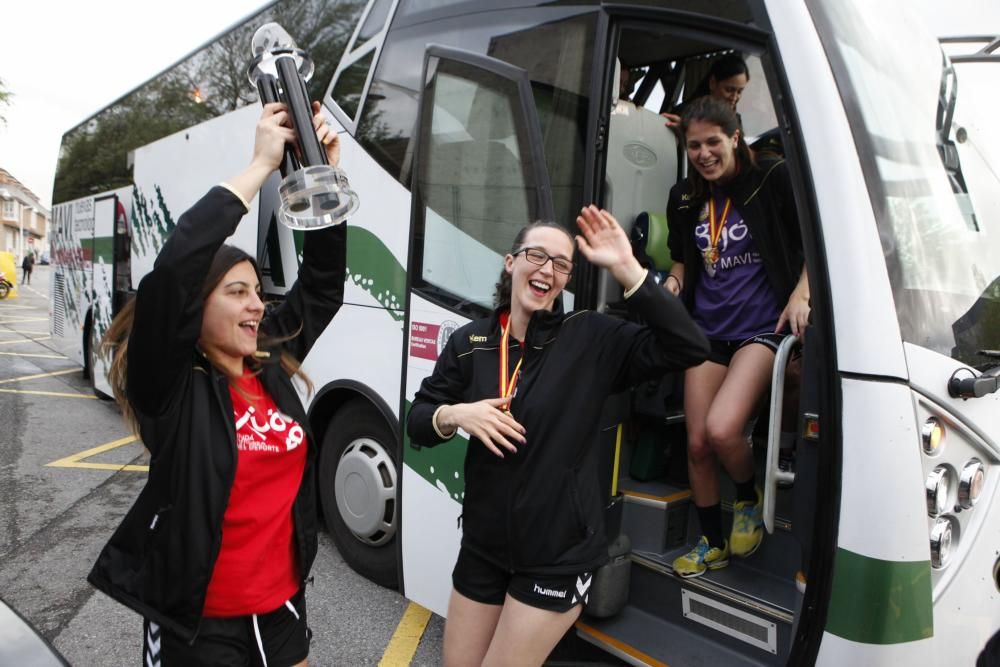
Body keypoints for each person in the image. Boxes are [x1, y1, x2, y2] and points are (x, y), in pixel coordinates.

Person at [87, 101, 345, 666]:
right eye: (235, 292)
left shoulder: (269, 362)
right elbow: (176, 267)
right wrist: (258, 167)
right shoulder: (171, 384)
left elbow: (322, 287)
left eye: (257, 291)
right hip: (199, 629)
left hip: (280, 613)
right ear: (194, 309)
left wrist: (318, 181)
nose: (256, 306)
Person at [407, 207, 709, 666]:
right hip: (483, 547)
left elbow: (689, 346)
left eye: (562, 263)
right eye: (536, 255)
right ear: (510, 262)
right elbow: (418, 422)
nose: (547, 269)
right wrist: (455, 414)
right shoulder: (471, 343)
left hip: (556, 557)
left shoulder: (589, 338)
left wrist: (629, 269)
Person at [662, 95, 809, 578]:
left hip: (762, 329)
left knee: (724, 430)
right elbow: (685, 261)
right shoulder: (685, 196)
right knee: (698, 443)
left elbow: (815, 246)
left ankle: (747, 496)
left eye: (713, 142)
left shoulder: (771, 178)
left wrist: (801, 295)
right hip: (706, 331)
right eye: (694, 145)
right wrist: (669, 289)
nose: (704, 154)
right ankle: (711, 543)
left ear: (735, 137)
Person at [662, 53, 750, 128]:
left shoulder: (735, 119)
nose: (734, 97)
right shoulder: (683, 115)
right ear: (712, 83)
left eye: (739, 92)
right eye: (729, 90)